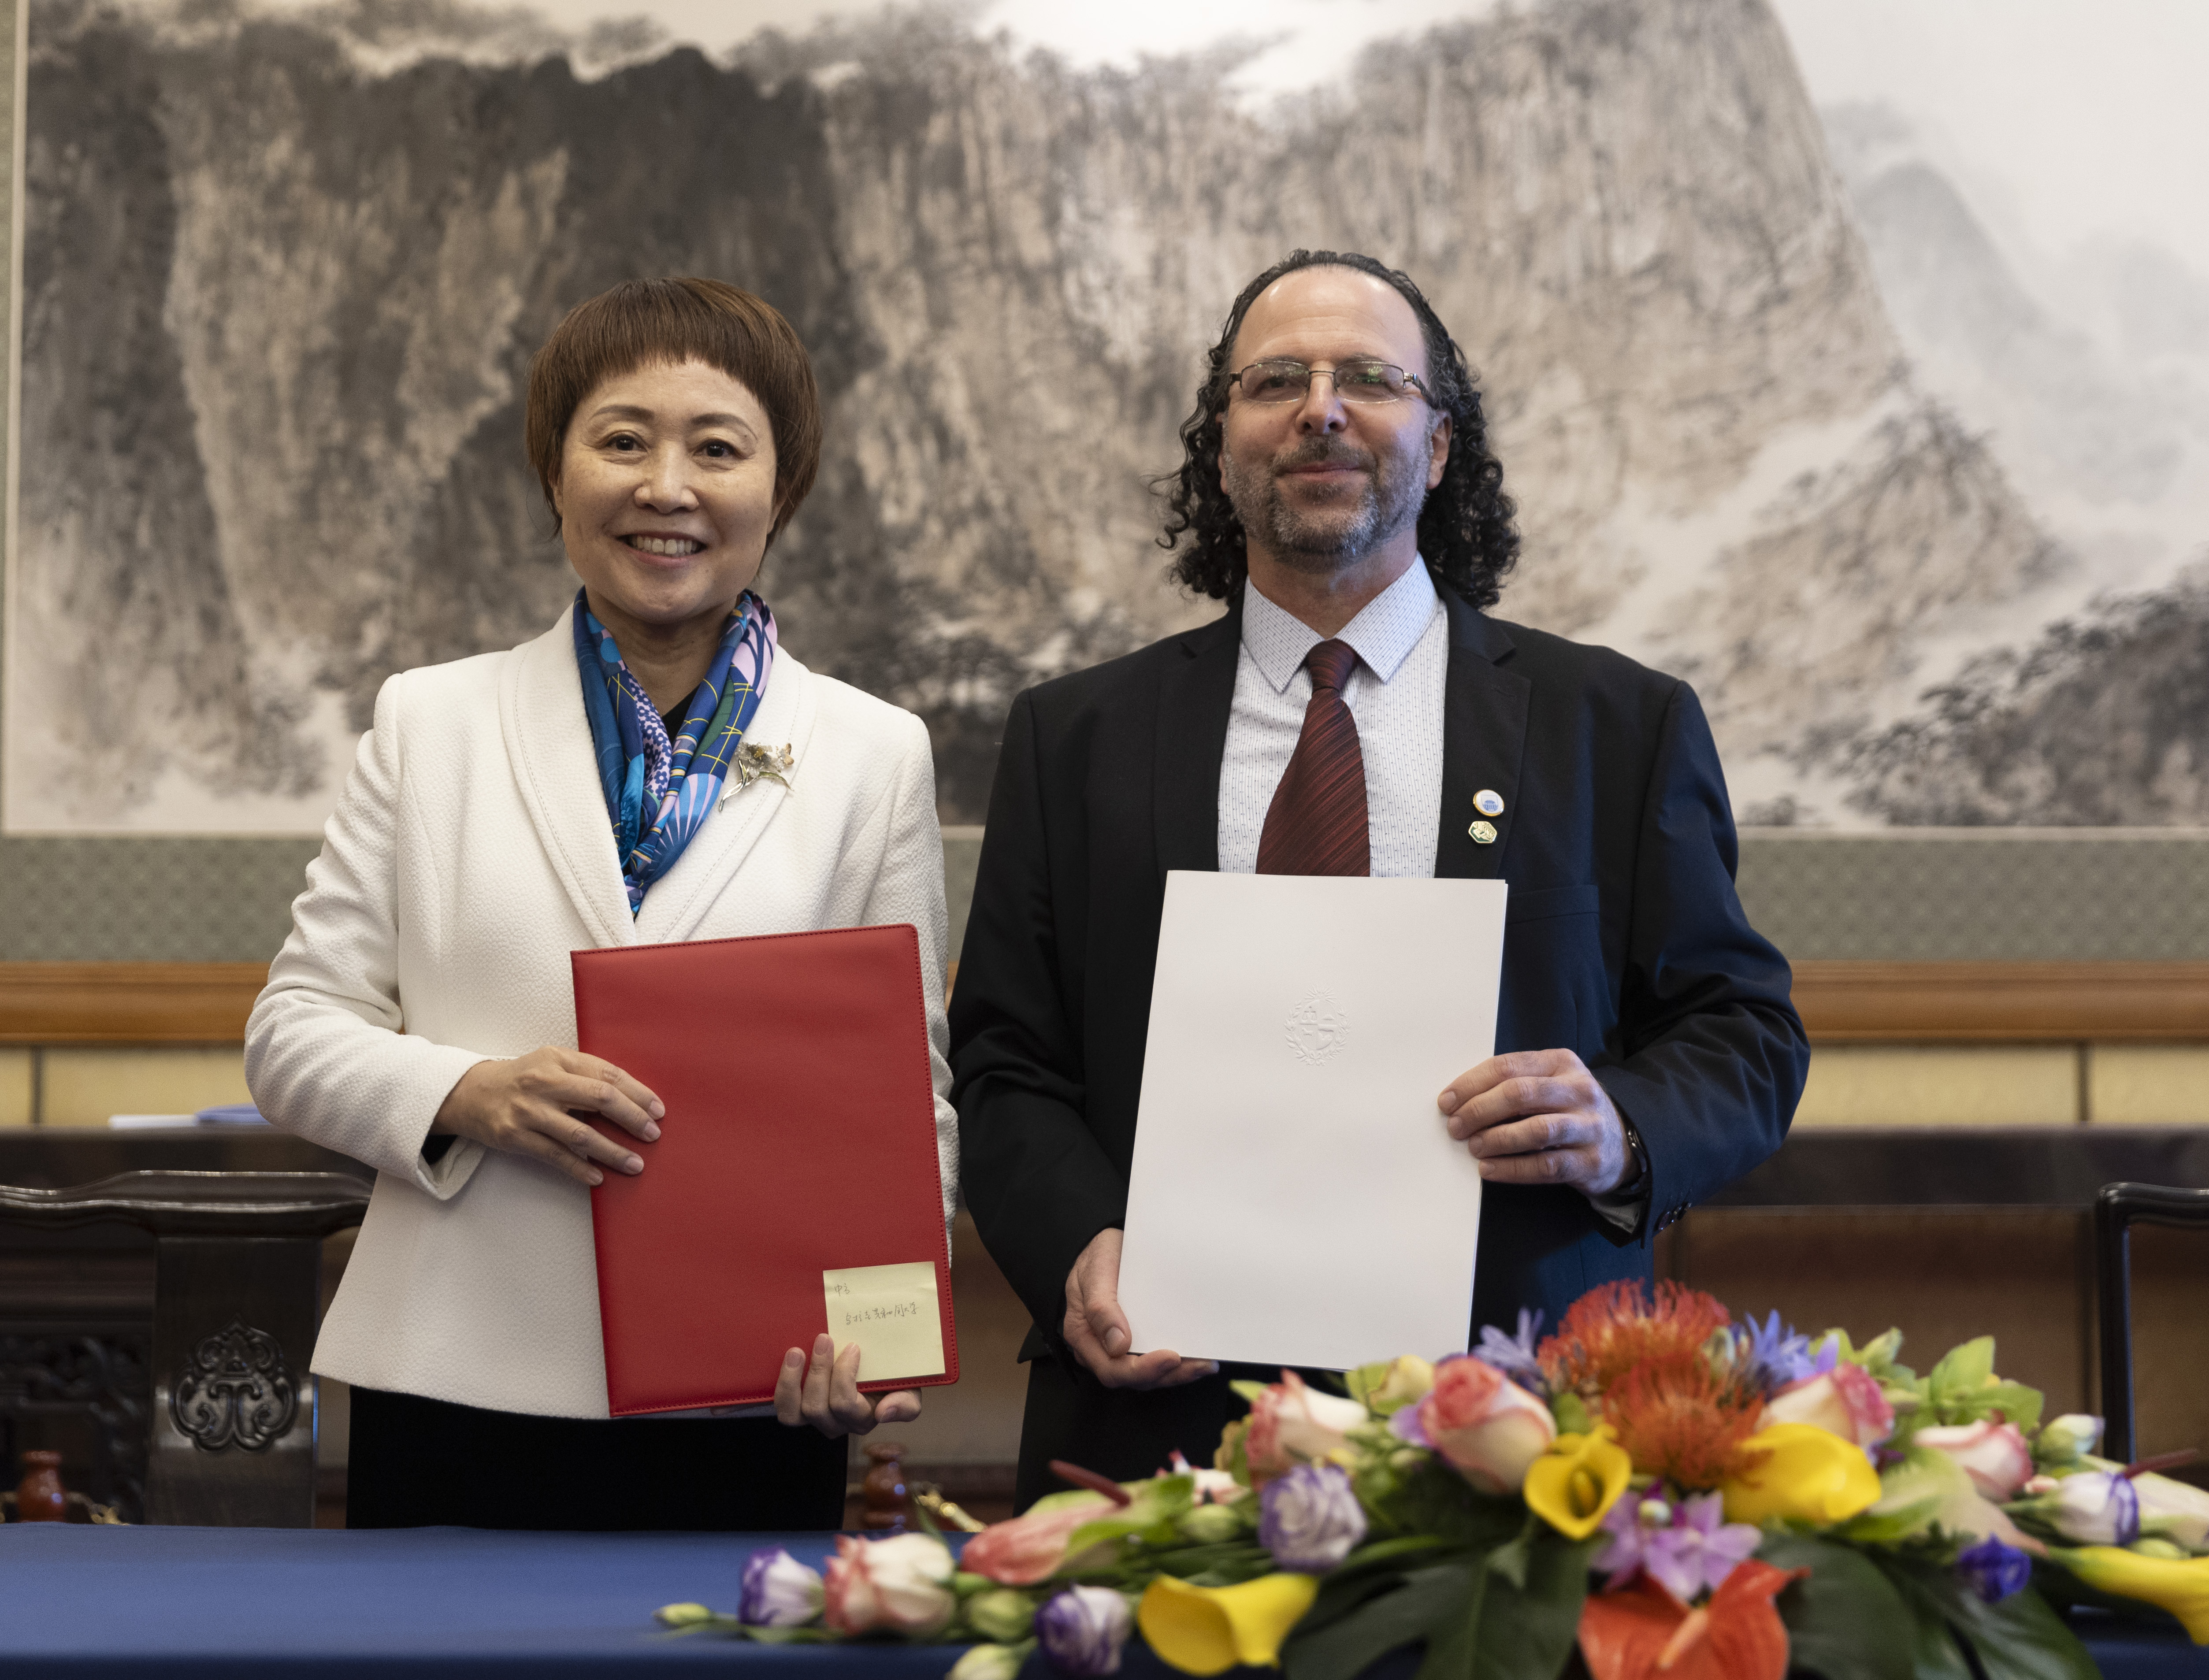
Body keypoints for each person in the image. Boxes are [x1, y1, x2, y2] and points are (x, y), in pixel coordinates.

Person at [949, 250, 1808, 1510]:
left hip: (1521, 1436)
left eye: (1368, 378)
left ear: (1441, 444)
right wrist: (1079, 1244)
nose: (1322, 409)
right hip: (1157, 1423)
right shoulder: (1074, 737)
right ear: (1223, 449)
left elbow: (1744, 1035)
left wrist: (1618, 1128)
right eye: (1274, 382)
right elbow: (1007, 1060)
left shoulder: (1618, 727)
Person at [245, 277, 955, 1531]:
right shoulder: (431, 723)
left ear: (781, 488)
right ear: (555, 473)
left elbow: (902, 1098)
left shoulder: (871, 753)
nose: (666, 487)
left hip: (752, 1384)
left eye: (718, 448)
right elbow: (292, 1035)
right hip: (455, 1376)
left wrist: (881, 1347)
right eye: (623, 440)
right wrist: (469, 1092)